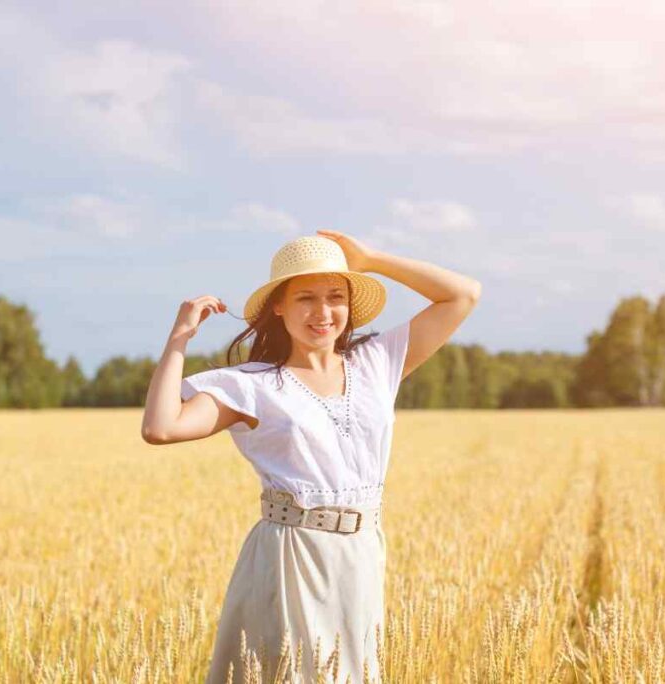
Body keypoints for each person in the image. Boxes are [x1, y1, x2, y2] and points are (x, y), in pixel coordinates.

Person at [141, 230, 481, 683]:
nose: (322, 313)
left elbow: (462, 295)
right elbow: (161, 428)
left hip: (361, 552)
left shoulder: (376, 362)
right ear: (278, 307)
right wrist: (179, 339)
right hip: (291, 555)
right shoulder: (251, 385)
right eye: (305, 298)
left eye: (335, 297)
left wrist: (371, 259)